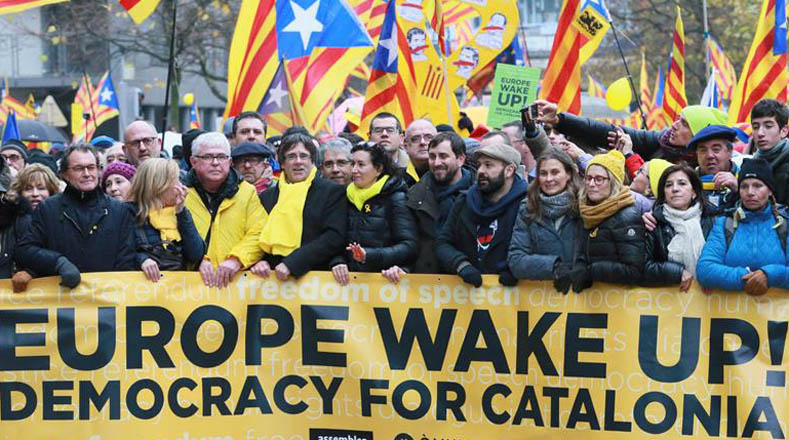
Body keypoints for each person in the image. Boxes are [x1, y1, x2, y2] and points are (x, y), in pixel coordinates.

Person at [16, 145, 137, 289]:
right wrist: (58, 262)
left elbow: (127, 260)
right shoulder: (48, 208)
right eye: (79, 168)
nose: (87, 173)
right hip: (61, 301)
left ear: (99, 171)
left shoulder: (119, 210)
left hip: (108, 301)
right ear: (64, 174)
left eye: (91, 167)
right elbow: (25, 250)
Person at [254, 133, 347, 280]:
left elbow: (334, 237)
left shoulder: (331, 192)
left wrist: (292, 263)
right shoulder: (267, 197)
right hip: (273, 281)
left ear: (312, 162)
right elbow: (257, 234)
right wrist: (262, 260)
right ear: (282, 163)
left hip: (315, 281)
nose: (298, 162)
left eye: (303, 156)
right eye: (291, 157)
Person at [436, 143, 528, 287]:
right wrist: (462, 265)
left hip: (516, 299)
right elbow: (443, 243)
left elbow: (536, 246)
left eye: (488, 165)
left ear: (509, 170)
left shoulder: (527, 203)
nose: (480, 171)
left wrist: (516, 269)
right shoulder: (464, 201)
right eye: (479, 165)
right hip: (468, 297)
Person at [184, 132, 266, 288]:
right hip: (190, 287)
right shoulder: (180, 192)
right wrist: (197, 260)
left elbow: (259, 232)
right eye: (208, 157)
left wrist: (236, 260)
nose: (215, 163)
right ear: (193, 161)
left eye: (221, 157)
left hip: (235, 286)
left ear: (229, 162)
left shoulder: (247, 192)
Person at [536, 100, 727, 166]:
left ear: (698, 136)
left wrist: (629, 156)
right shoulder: (663, 140)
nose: (675, 125)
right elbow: (607, 132)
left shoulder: (706, 167)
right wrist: (559, 120)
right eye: (678, 118)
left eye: (684, 124)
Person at [697, 158, 789, 294]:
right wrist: (745, 277)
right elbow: (705, 269)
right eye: (744, 186)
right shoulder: (724, 224)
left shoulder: (785, 224)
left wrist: (770, 275)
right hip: (732, 314)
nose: (750, 192)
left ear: (770, 191)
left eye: (757, 185)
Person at [330, 143, 417, 285]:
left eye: (361, 165)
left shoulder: (396, 198)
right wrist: (337, 261)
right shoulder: (345, 196)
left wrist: (368, 255)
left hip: (383, 282)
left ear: (378, 169)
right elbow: (333, 239)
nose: (354, 170)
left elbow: (409, 246)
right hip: (348, 285)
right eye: (353, 164)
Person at [508, 149, 586, 293]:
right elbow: (516, 259)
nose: (549, 179)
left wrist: (584, 269)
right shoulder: (528, 207)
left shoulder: (585, 205)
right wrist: (553, 266)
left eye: (555, 172)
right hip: (542, 299)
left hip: (583, 298)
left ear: (568, 174)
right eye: (543, 173)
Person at [573, 150, 645, 291]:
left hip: (619, 303)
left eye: (599, 179)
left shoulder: (627, 217)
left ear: (613, 182)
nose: (592, 184)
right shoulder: (585, 210)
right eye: (588, 178)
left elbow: (633, 271)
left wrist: (590, 271)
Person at [127, 159, 205, 282]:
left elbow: (196, 254)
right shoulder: (129, 213)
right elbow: (121, 251)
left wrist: (181, 211)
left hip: (174, 291)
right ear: (158, 185)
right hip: (141, 291)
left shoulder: (179, 213)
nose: (181, 186)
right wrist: (142, 259)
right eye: (176, 181)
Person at [407, 132, 473, 274]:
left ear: (460, 159)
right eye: (432, 157)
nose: (436, 163)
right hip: (428, 284)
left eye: (443, 156)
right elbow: (409, 244)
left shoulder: (481, 194)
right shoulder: (414, 196)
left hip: (472, 280)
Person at [643, 165, 716, 291]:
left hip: (712, 303)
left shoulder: (714, 220)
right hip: (669, 303)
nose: (675, 189)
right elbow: (642, 267)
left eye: (682, 183)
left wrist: (711, 275)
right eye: (668, 185)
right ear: (663, 193)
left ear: (694, 192)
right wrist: (676, 273)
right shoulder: (653, 223)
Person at [688, 125, 741, 212]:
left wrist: (739, 190)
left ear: (730, 151)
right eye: (703, 150)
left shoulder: (746, 178)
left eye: (716, 149)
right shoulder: (687, 183)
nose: (709, 156)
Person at [750, 99, 789, 205]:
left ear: (784, 131)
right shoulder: (749, 166)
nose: (760, 133)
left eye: (768, 126)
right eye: (755, 127)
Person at [403, 119, 437, 183]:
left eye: (428, 137)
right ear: (405, 146)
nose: (422, 142)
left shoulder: (451, 174)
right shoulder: (396, 181)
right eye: (416, 139)